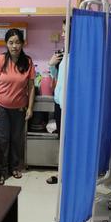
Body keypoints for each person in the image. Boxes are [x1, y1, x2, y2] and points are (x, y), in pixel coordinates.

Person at [0, 28, 35, 185]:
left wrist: (30, 108)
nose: (14, 46)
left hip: (20, 108)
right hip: (1, 107)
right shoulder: (0, 60)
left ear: (22, 43)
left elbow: (31, 87)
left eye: (17, 42)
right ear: (6, 44)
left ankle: (15, 167)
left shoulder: (28, 61)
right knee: (3, 140)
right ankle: (1, 171)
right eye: (11, 42)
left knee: (16, 140)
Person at [46, 49, 65, 184]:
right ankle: (62, 173)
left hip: (71, 105)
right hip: (59, 103)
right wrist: (51, 64)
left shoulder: (79, 55)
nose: (63, 34)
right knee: (62, 140)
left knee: (70, 141)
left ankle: (69, 174)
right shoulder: (63, 55)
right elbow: (56, 77)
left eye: (65, 31)